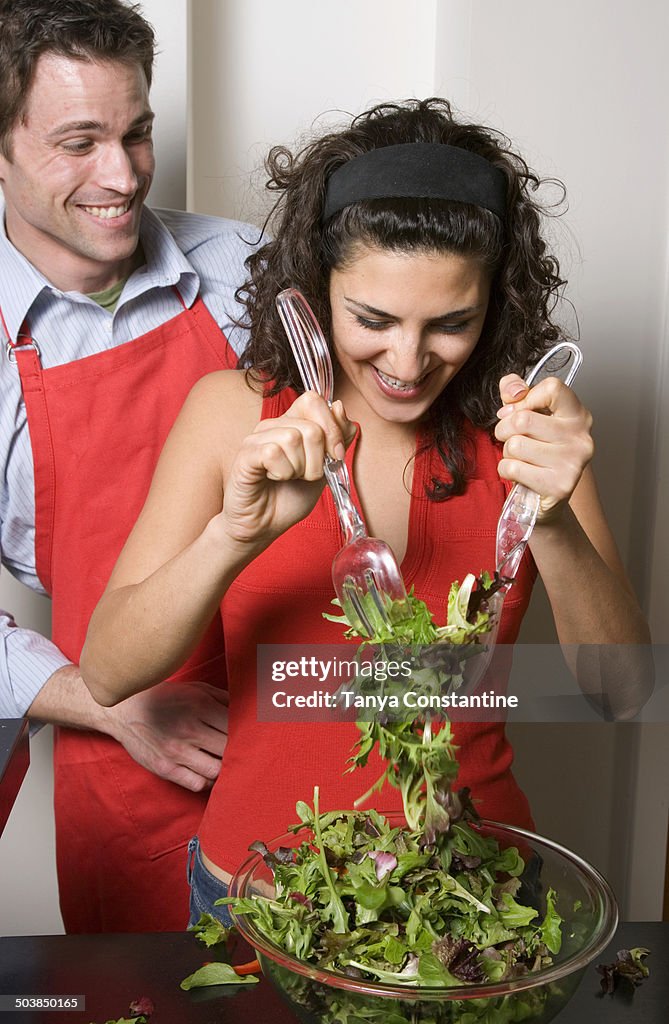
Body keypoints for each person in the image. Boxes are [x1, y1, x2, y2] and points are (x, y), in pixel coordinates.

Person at [80, 98, 651, 924]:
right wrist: (233, 535)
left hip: (475, 899)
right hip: (262, 898)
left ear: (494, 304)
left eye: (451, 324)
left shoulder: (533, 433)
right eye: (373, 320)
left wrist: (552, 519)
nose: (408, 362)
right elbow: (107, 672)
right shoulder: (233, 414)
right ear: (315, 289)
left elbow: (621, 694)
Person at [0, 0, 260, 932]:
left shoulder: (246, 273)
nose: (122, 176)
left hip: (296, 716)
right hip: (127, 750)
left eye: (137, 134)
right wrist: (107, 706)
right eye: (79, 141)